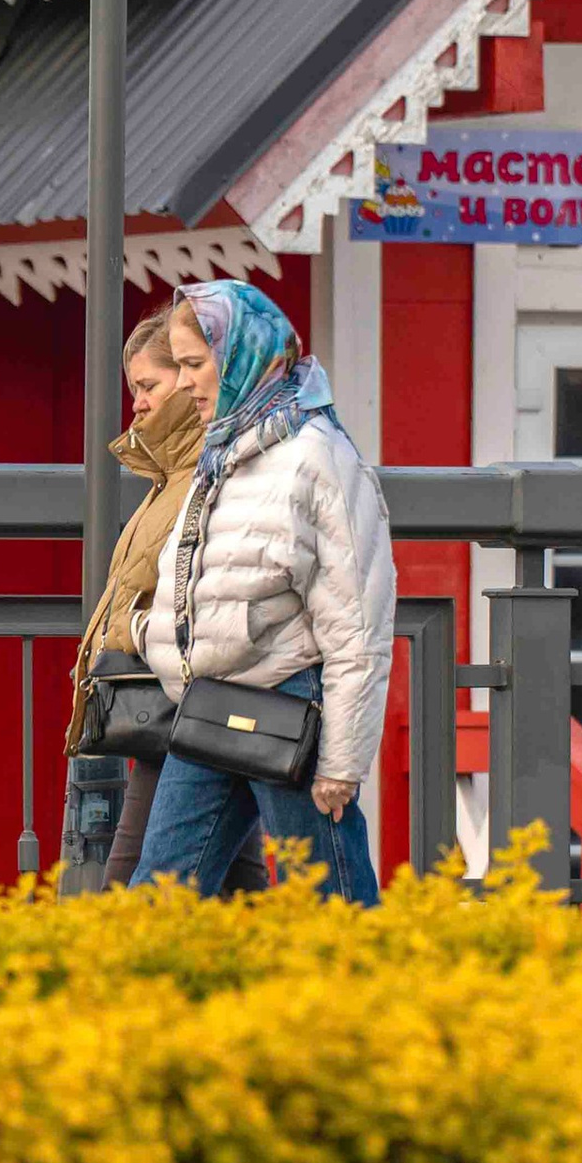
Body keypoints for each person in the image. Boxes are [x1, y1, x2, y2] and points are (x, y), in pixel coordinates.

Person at [131, 281, 394, 901]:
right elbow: (193, 577)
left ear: (244, 352)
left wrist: (341, 761)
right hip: (209, 705)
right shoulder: (223, 450)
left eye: (197, 364)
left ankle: (385, 998)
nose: (188, 381)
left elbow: (358, 621)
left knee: (329, 900)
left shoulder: (316, 456)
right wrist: (149, 633)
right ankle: (131, 1000)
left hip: (286, 703)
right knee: (156, 898)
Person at [61, 304, 260, 892]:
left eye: (149, 385)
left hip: (189, 701)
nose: (139, 403)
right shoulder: (174, 478)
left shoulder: (206, 471)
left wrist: (130, 633)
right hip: (183, 699)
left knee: (134, 882)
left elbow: (196, 587)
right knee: (234, 883)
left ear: (192, 377)